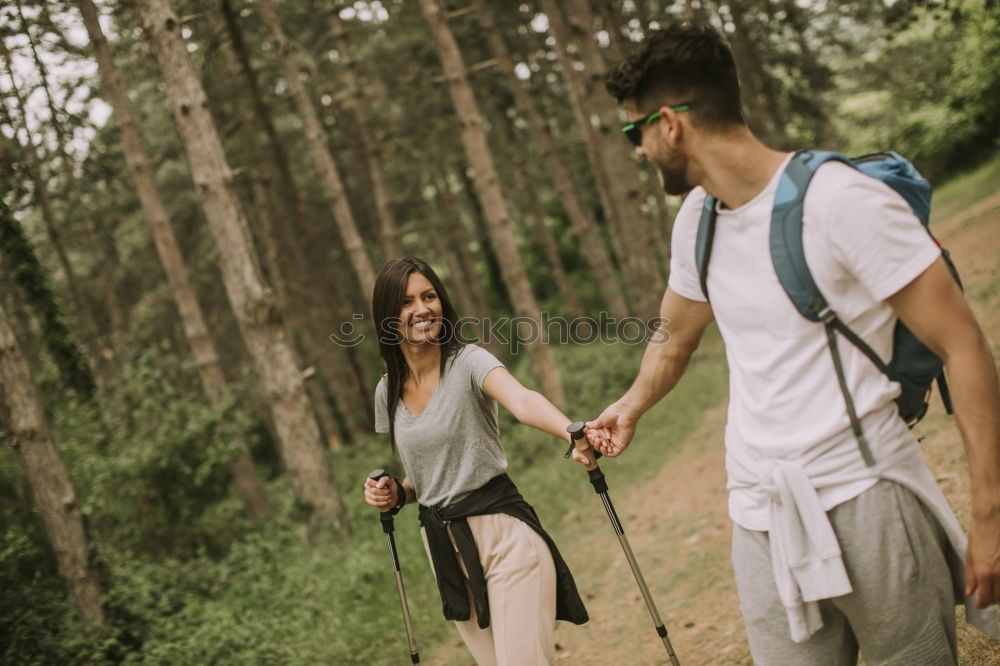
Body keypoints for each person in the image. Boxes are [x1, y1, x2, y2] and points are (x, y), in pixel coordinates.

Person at [586, 22, 1000, 665]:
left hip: (869, 497)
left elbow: (965, 346)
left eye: (632, 130)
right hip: (761, 513)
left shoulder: (840, 202)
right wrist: (631, 404)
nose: (635, 150)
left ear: (670, 124)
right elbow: (673, 340)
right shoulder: (697, 221)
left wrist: (991, 516)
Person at [362, 257, 592, 666]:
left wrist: (570, 431)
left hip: (504, 535)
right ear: (386, 317)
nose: (422, 309)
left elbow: (522, 400)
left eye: (429, 296)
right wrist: (396, 493)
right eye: (406, 301)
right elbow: (423, 475)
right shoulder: (388, 390)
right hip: (444, 549)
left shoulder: (467, 361)